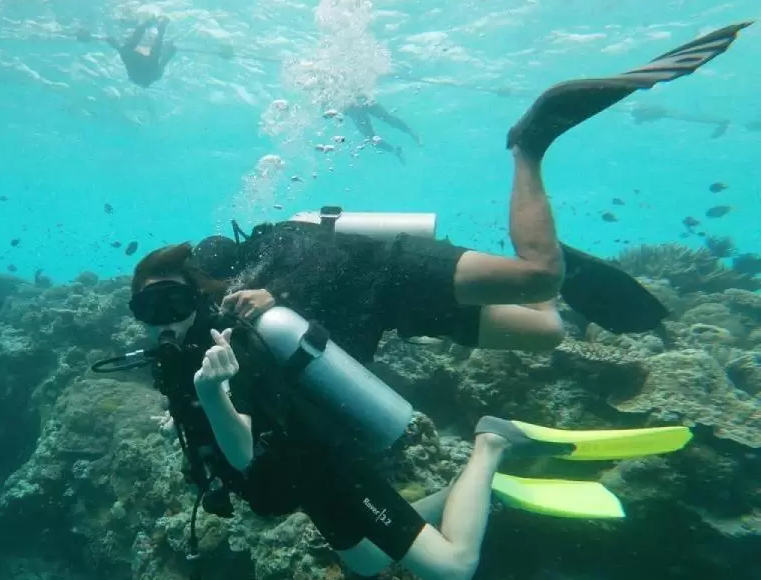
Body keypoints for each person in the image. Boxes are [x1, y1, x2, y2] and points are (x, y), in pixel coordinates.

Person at [111, 243, 691, 580]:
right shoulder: (175, 360)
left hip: (323, 468)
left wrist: (213, 395)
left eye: (175, 303)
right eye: (149, 309)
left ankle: (491, 442)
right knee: (365, 564)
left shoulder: (233, 348)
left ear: (198, 298)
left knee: (451, 568)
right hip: (297, 485)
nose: (164, 321)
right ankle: (474, 490)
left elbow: (243, 451)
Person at [192, 21, 752, 362]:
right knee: (547, 332)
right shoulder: (247, 288)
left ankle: (528, 146)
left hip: (401, 272)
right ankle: (545, 253)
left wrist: (274, 300)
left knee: (540, 277)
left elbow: (318, 288)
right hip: (405, 310)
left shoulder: (272, 252)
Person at [92, 16, 176, 88]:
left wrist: (171, 49)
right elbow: (164, 57)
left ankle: (145, 24)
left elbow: (164, 56)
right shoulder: (154, 71)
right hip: (141, 67)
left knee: (131, 48)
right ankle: (146, 24)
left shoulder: (132, 59)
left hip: (137, 64)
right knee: (150, 51)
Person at [342, 93, 421, 162]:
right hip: (361, 96)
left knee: (370, 136)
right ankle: (412, 133)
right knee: (387, 117)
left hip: (351, 107)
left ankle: (394, 151)